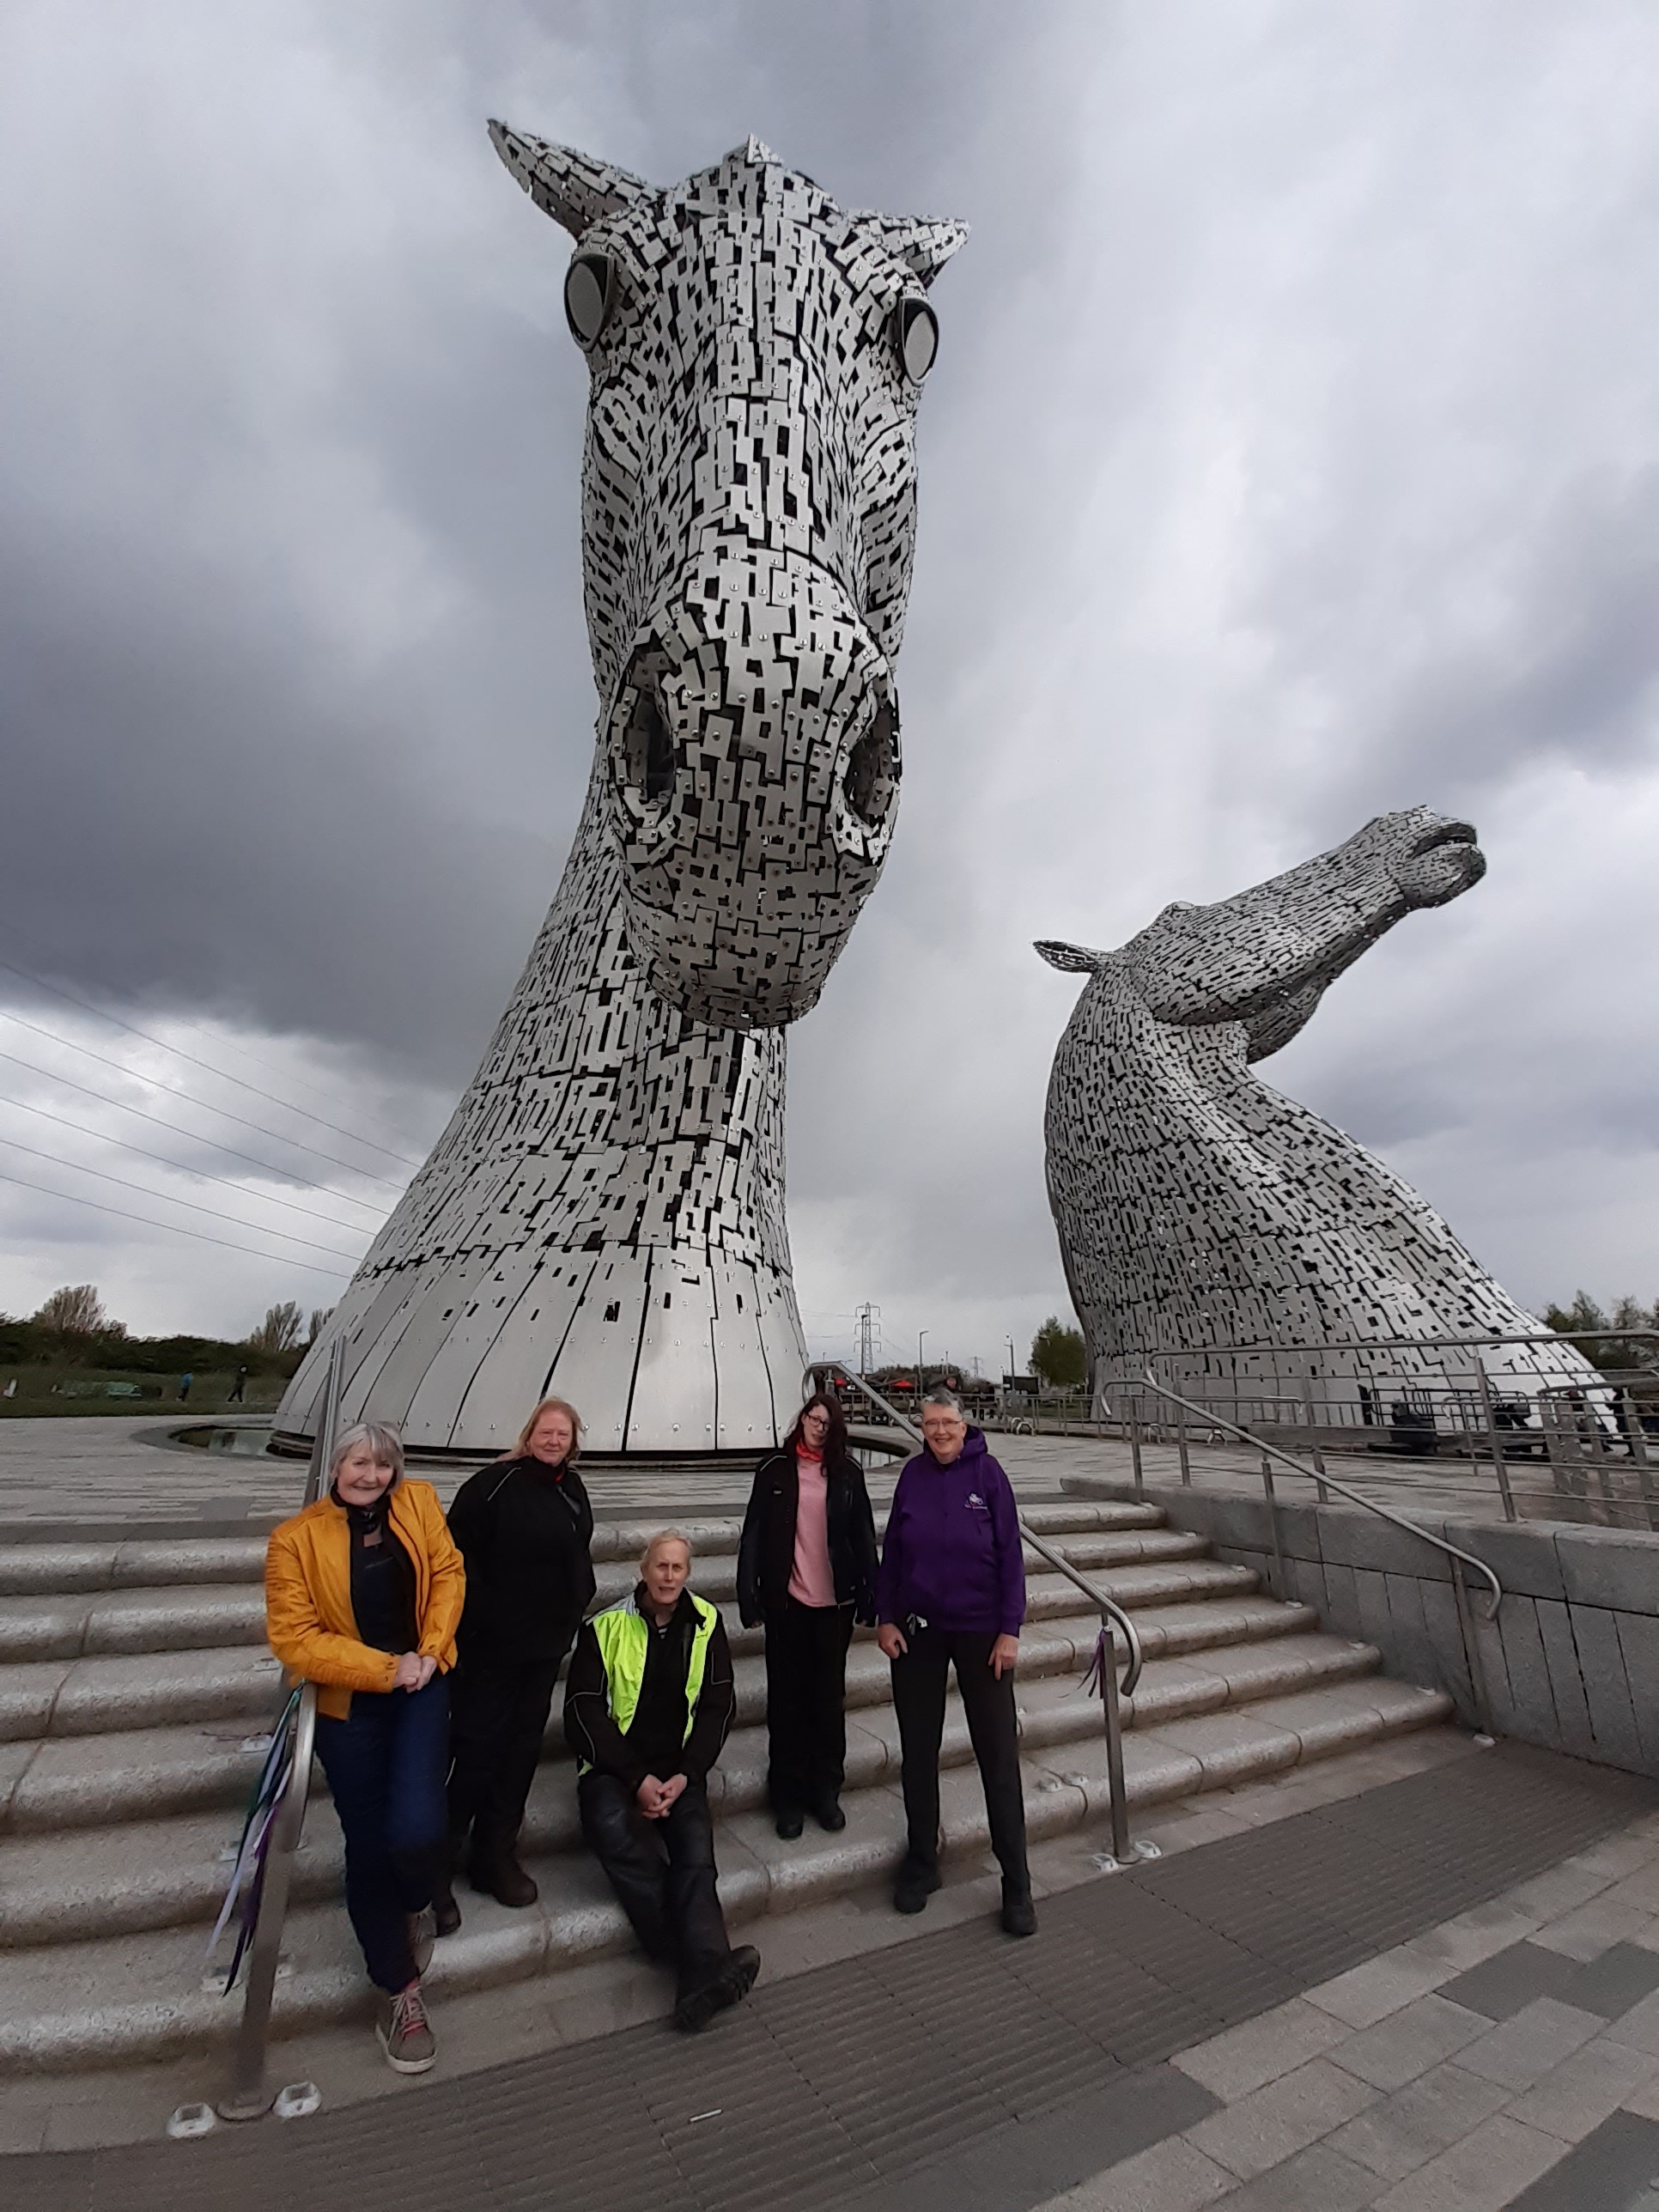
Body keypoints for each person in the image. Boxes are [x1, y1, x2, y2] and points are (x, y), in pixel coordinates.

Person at [264, 1421, 465, 2073]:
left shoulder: (421, 1503)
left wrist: (429, 1654)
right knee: (369, 1841)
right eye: (357, 1462)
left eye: (381, 1464)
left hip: (422, 1688)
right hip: (351, 1704)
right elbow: (296, 1639)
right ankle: (400, 1991)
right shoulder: (295, 1541)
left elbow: (447, 1573)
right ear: (333, 1469)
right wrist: (386, 1669)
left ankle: (414, 1903)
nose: (370, 1475)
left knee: (416, 1828)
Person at [564, 1529, 759, 2031]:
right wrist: (635, 1779)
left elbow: (719, 1706)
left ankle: (697, 1980)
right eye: (660, 1567)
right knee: (612, 1828)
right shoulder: (603, 1627)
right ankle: (700, 1961)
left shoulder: (708, 1623)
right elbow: (582, 1714)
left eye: (677, 1568)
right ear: (643, 1570)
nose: (669, 1576)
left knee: (695, 1853)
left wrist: (686, 1774)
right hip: (615, 1767)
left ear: (688, 1574)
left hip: (678, 1769)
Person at [876, 1389, 1035, 1936]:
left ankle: (1016, 1883)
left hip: (981, 1633)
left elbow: (1011, 1556)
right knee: (918, 1751)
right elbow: (893, 1551)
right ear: (921, 1429)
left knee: (997, 1756)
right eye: (931, 1423)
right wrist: (886, 1617)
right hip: (919, 1633)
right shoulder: (912, 1477)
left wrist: (1009, 1630)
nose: (940, 1431)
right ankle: (923, 1862)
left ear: (964, 1427)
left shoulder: (989, 1476)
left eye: (948, 1422)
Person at [436, 1395, 596, 1929]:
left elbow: (580, 1557)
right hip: (491, 1651)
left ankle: (494, 1857)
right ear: (529, 1435)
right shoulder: (490, 1487)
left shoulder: (572, 1490)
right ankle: (436, 1868)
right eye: (546, 1433)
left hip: (544, 1651)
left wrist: (573, 1613)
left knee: (521, 1753)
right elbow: (456, 1559)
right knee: (476, 1749)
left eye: (563, 1435)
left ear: (574, 1442)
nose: (554, 1441)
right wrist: (484, 1620)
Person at [737, 1391, 878, 1837]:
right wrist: (749, 1594)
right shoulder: (773, 1471)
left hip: (834, 1607)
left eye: (825, 1422)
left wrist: (871, 1594)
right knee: (787, 1702)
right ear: (800, 1421)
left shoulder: (848, 1474)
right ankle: (787, 1797)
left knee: (827, 1700)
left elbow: (862, 1535)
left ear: (835, 1429)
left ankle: (825, 1791)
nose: (817, 1427)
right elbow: (753, 1533)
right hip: (787, 1605)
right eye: (811, 1418)